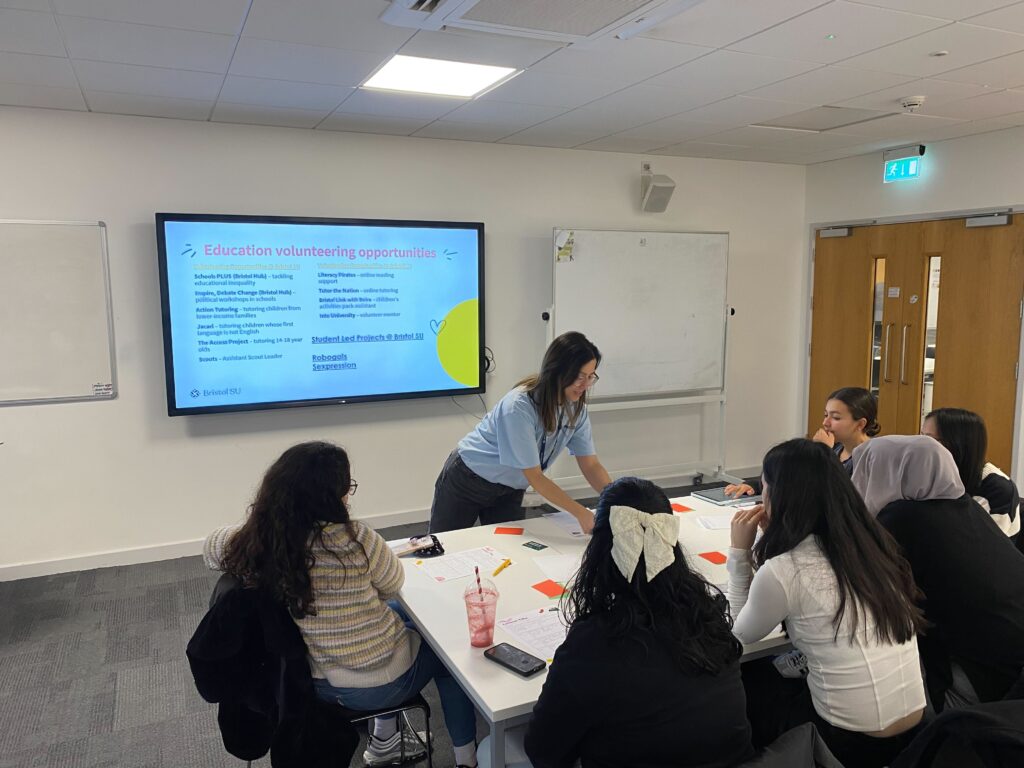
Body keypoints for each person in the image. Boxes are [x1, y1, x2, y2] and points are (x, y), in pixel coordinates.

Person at [203, 441, 480, 768]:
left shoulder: (268, 541)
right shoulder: (357, 538)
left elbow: (211, 548)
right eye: (347, 486)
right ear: (331, 494)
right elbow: (393, 584)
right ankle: (467, 760)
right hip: (380, 683)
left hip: (312, 682)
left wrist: (257, 527)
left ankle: (385, 742)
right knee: (450, 658)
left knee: (402, 616)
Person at [517, 477, 753, 768]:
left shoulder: (594, 642)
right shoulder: (707, 612)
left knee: (498, 747)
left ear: (599, 549)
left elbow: (543, 750)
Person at [727, 438, 927, 768]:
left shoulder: (785, 569)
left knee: (749, 677)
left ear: (778, 495)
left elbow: (741, 636)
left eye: (764, 487)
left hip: (852, 743)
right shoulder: (870, 546)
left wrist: (739, 555)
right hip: (915, 730)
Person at [852, 436, 1024, 709]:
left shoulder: (901, 519)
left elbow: (857, 588)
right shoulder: (966, 507)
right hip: (1012, 665)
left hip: (987, 684)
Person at [430, 331, 613, 534]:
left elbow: (591, 465)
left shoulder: (576, 410)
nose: (585, 385)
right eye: (579, 376)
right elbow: (535, 476)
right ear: (557, 371)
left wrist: (616, 500)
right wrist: (580, 513)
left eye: (590, 377)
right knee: (443, 547)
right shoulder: (518, 407)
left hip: (510, 489)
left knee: (509, 553)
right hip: (469, 479)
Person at [726, 386, 879, 497]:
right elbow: (794, 478)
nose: (826, 423)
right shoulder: (837, 448)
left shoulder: (873, 457)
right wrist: (755, 485)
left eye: (836, 418)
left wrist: (822, 453)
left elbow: (839, 495)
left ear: (860, 424)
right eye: (826, 415)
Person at [922, 407, 1021, 544]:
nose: (920, 446)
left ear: (958, 444)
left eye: (930, 440)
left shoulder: (998, 488)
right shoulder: (930, 474)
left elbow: (985, 549)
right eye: (921, 437)